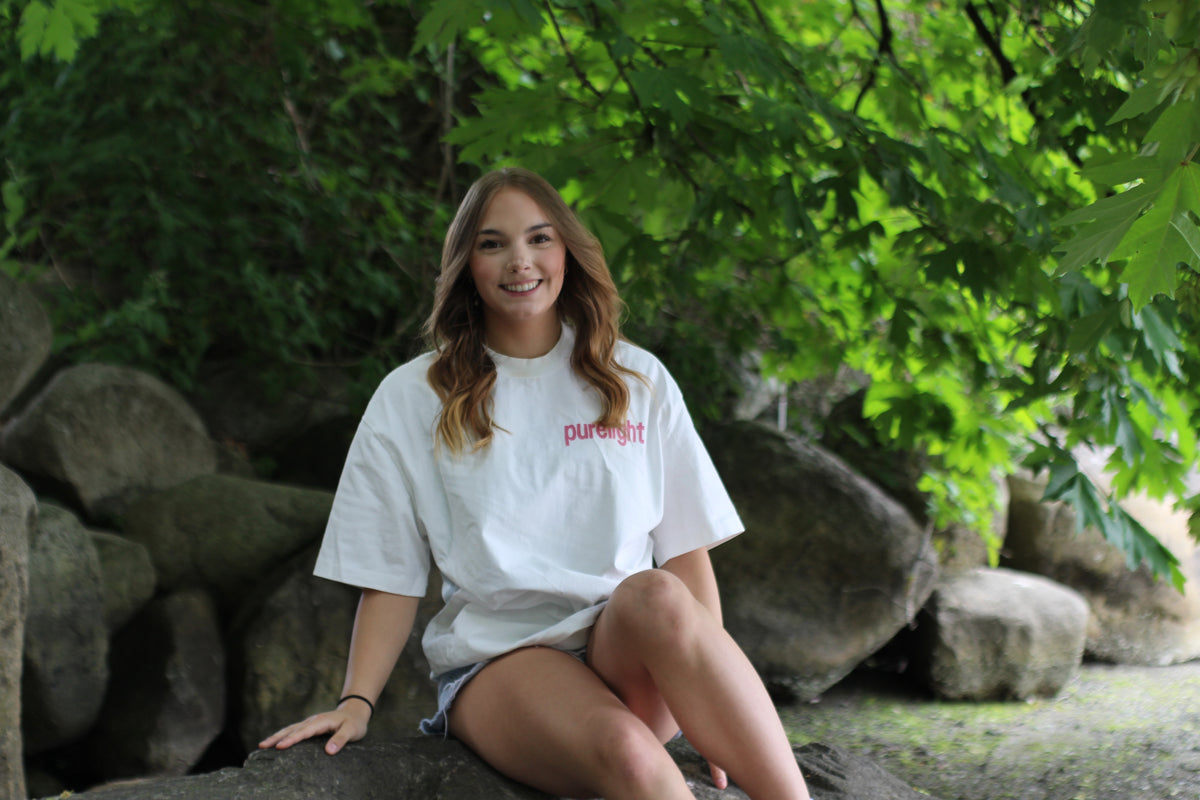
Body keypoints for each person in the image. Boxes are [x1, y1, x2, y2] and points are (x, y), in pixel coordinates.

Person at [259, 167, 811, 800]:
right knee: (633, 761)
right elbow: (389, 573)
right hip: (502, 664)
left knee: (655, 592)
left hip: (625, 651)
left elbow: (687, 553)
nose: (520, 261)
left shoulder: (636, 378)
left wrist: (713, 717)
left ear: (567, 252)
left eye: (539, 238)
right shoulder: (413, 396)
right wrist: (356, 702)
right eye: (493, 244)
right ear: (466, 263)